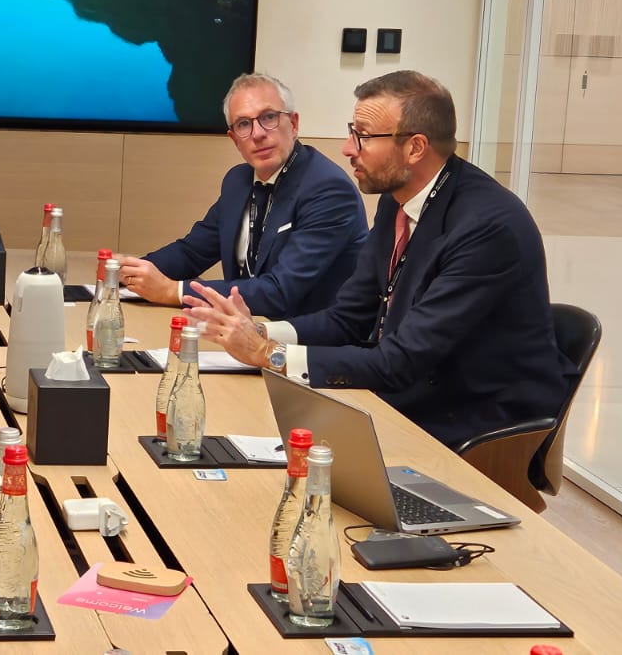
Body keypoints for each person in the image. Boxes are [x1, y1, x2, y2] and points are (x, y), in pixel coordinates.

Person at [185, 70, 572, 450]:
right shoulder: (396, 201)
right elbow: (347, 318)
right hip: (410, 395)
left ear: (415, 148)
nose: (347, 148)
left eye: (363, 136)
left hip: (476, 423)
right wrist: (260, 333)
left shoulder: (487, 226)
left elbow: (401, 361)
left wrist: (269, 355)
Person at [117, 73, 367, 319]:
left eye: (269, 117)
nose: (258, 134)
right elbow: (192, 252)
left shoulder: (329, 190)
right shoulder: (237, 181)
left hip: (306, 338)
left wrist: (174, 291)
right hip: (243, 329)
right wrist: (130, 271)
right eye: (244, 124)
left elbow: (280, 291)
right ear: (234, 139)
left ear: (293, 124)